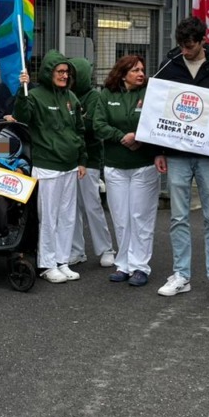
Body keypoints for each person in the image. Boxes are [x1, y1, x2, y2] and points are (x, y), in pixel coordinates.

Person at [152, 17, 209, 302]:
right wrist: (158, 150)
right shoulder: (169, 65)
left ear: (203, 40)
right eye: (181, 46)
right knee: (178, 217)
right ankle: (182, 274)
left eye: (190, 46)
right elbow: (157, 109)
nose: (185, 51)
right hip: (177, 154)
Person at [15, 51, 87, 283]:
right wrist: (21, 91)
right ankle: (47, 264)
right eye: (60, 71)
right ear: (49, 72)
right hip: (47, 166)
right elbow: (22, 117)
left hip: (69, 166)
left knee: (67, 217)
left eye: (67, 72)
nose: (64, 76)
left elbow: (79, 131)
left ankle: (62, 260)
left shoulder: (72, 98)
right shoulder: (34, 95)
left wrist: (82, 160)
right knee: (49, 217)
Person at [91, 54, 158, 287]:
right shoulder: (107, 95)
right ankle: (124, 264)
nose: (141, 74)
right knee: (121, 217)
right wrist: (121, 137)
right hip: (115, 166)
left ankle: (140, 266)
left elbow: (157, 121)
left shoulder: (150, 93)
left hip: (143, 165)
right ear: (122, 74)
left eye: (142, 69)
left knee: (141, 217)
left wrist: (139, 137)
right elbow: (98, 124)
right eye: (135, 70)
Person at [69, 56, 116, 269]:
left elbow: (90, 126)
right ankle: (77, 250)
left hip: (90, 158)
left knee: (92, 204)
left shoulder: (94, 97)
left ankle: (106, 248)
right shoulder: (65, 95)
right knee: (72, 207)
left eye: (72, 74)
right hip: (69, 159)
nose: (68, 78)